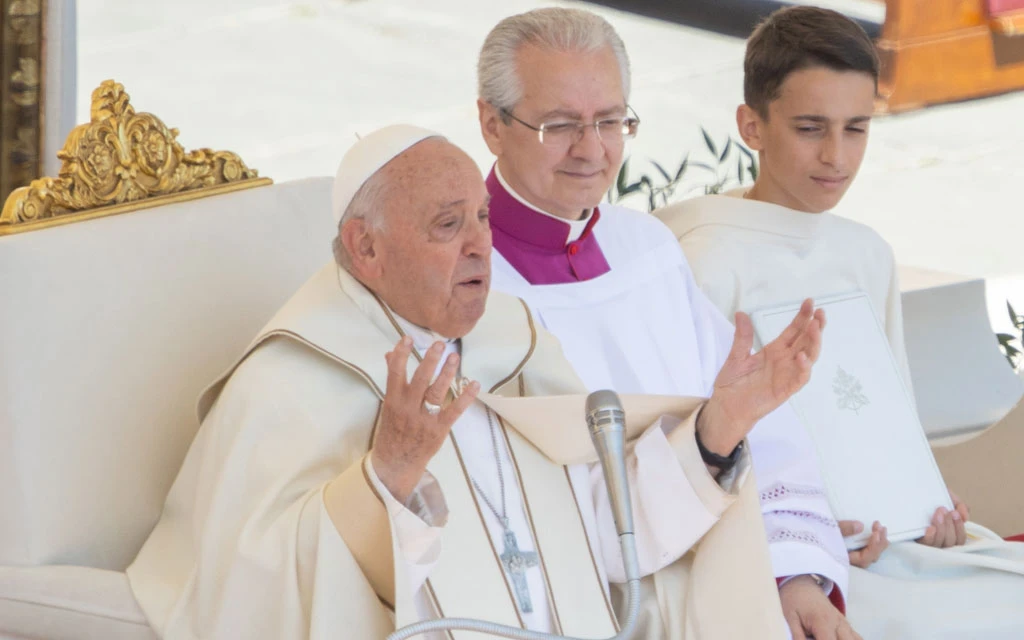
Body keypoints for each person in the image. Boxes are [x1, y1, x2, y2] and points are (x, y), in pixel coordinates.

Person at [124, 124, 822, 639]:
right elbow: (253, 592)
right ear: (366, 247)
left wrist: (721, 425)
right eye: (447, 225)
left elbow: (611, 538)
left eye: (482, 219)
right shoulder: (288, 382)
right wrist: (387, 478)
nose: (480, 246)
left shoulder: (510, 347)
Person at [478, 8, 856, 640]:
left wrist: (792, 576)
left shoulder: (645, 250)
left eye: (610, 121)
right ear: (492, 124)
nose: (592, 150)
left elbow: (767, 438)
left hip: (732, 568)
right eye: (561, 124)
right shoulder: (469, 288)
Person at [656, 6, 1024, 638]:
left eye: (857, 129)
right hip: (771, 558)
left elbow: (890, 422)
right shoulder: (701, 257)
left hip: (890, 542)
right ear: (752, 125)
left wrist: (926, 508)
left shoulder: (865, 252)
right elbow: (691, 450)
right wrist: (800, 551)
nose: (836, 156)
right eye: (810, 128)